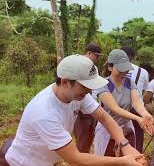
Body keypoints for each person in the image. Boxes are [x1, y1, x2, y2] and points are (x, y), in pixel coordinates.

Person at [5, 55, 145, 166]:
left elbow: (105, 118)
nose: (90, 91)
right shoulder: (44, 113)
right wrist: (123, 161)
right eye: (85, 86)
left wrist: (125, 145)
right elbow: (75, 159)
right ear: (65, 82)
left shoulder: (77, 94)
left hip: (47, 161)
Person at [93, 49, 154, 156]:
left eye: (126, 70)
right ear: (110, 67)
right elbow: (115, 108)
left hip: (126, 130)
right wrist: (137, 118)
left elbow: (137, 102)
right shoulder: (103, 85)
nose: (124, 73)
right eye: (120, 70)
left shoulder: (129, 83)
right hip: (107, 131)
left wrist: (145, 114)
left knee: (128, 159)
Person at [74, 43, 103, 153]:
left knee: (87, 134)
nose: (97, 58)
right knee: (83, 134)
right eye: (96, 55)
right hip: (80, 103)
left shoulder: (93, 67)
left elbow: (95, 88)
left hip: (88, 103)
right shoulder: (78, 64)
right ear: (89, 53)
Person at [121, 46, 149, 152]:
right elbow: (143, 92)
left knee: (120, 136)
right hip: (138, 109)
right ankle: (137, 157)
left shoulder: (115, 69)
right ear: (133, 57)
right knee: (138, 136)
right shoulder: (143, 72)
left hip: (120, 108)